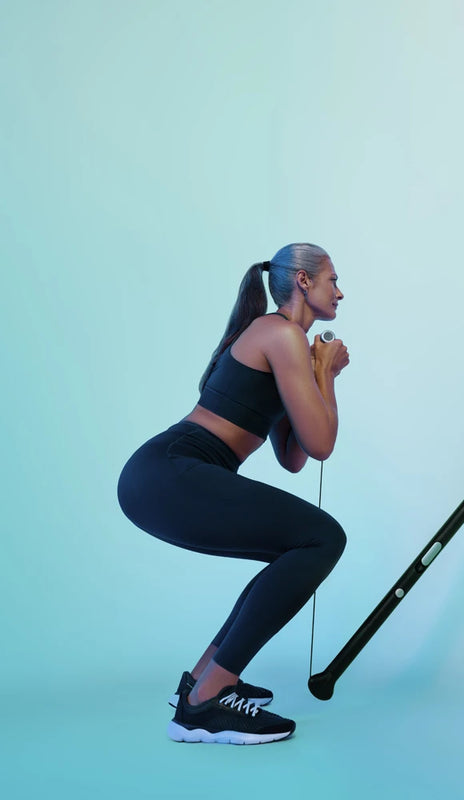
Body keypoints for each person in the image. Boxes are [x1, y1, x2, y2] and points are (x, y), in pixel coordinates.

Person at [117, 243, 349, 745]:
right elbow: (323, 444)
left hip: (166, 476)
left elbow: (292, 457)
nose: (341, 291)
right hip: (171, 469)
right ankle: (206, 703)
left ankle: (202, 683)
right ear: (304, 283)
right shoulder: (280, 333)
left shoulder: (281, 341)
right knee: (322, 539)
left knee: (301, 545)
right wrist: (326, 374)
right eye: (333, 279)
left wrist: (313, 376)